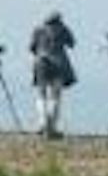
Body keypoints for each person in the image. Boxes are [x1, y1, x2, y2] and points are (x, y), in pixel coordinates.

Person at [28, 10, 76, 139]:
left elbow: (32, 48)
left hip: (41, 62)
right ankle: (51, 127)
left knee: (41, 95)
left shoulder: (38, 30)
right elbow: (72, 43)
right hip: (58, 64)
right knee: (55, 96)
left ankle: (42, 124)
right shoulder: (62, 29)